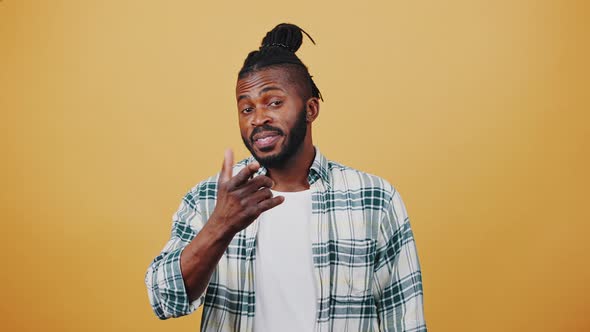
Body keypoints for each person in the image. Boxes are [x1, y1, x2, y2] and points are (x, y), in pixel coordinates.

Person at [145, 23, 427, 332]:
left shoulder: (374, 199)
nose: (258, 118)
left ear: (310, 109)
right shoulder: (208, 198)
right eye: (246, 108)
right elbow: (164, 300)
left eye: (274, 102)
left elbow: (404, 320)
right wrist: (220, 225)